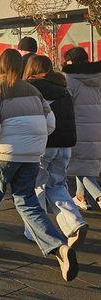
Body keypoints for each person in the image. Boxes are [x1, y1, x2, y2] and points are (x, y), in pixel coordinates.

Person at [0, 49, 78, 282]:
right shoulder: (34, 91)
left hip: (3, 153)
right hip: (32, 154)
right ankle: (59, 247)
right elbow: (51, 123)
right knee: (27, 201)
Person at [22, 55, 88, 248]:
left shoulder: (31, 88)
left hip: (43, 145)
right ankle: (75, 223)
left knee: (36, 188)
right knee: (57, 186)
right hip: (65, 145)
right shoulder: (62, 88)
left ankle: (36, 231)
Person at [62, 47, 101, 210]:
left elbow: (65, 104)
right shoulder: (98, 76)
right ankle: (80, 196)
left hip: (78, 128)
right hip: (97, 127)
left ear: (70, 61)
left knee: (78, 165)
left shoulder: (69, 78)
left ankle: (99, 196)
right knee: (84, 163)